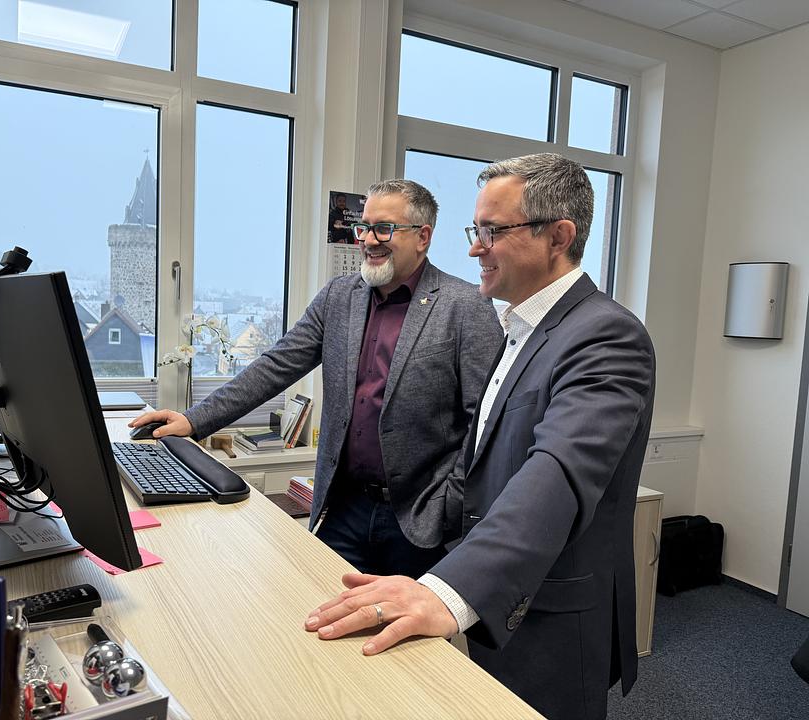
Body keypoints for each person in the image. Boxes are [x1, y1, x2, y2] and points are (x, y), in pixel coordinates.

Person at [305, 154, 656, 720]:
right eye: (477, 231)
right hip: (494, 589)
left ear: (558, 237)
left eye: (492, 232)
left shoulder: (606, 336)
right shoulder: (519, 325)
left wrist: (446, 590)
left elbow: (555, 473)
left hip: (549, 608)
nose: (475, 249)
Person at [131, 179, 502, 579]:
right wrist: (194, 419)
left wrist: (450, 505)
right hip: (343, 509)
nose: (368, 240)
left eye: (384, 229)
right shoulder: (339, 296)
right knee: (319, 609)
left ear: (423, 237)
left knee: (399, 622)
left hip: (420, 520)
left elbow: (485, 423)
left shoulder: (466, 306)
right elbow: (276, 365)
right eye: (364, 227)